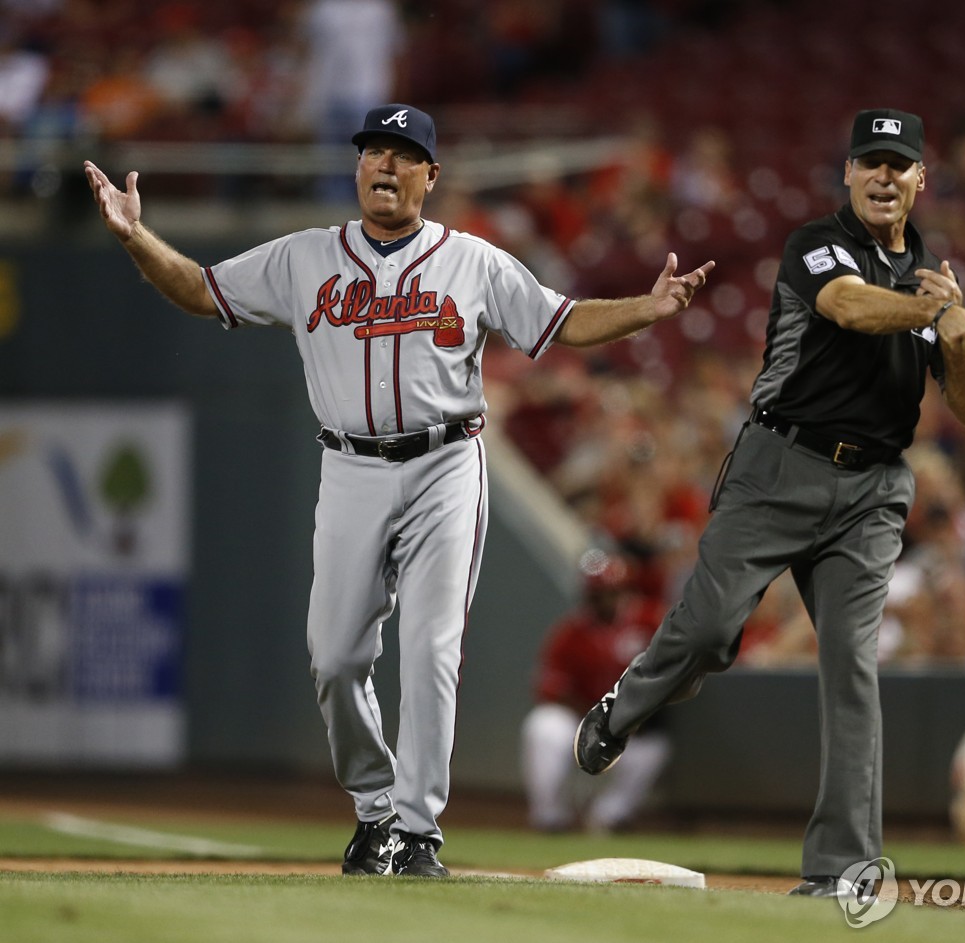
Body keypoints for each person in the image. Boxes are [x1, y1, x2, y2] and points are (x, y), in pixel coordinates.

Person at [83, 103, 713, 878]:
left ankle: (416, 830)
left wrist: (648, 309)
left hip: (448, 462)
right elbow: (201, 290)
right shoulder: (305, 258)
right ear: (357, 169)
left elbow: (561, 322)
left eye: (402, 153)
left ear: (430, 175)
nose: (383, 165)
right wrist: (137, 238)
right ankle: (376, 807)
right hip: (350, 466)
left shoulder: (473, 261)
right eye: (372, 152)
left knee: (431, 648)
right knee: (336, 655)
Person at [573, 108, 965, 899]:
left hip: (873, 489)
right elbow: (848, 306)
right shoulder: (817, 243)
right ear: (848, 173)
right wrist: (937, 312)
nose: (883, 176)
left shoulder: (934, 277)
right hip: (781, 464)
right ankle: (627, 702)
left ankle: (842, 869)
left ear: (921, 180)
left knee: (852, 667)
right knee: (706, 632)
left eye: (898, 164)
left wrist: (954, 339)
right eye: (870, 162)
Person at [521, 550, 670, 833]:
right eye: (596, 594)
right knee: (543, 726)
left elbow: (669, 676)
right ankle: (550, 817)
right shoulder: (571, 631)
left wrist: (631, 717)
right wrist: (596, 719)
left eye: (610, 592)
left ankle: (611, 817)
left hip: (634, 723)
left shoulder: (650, 621)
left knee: (654, 748)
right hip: (584, 717)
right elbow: (550, 687)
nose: (603, 600)